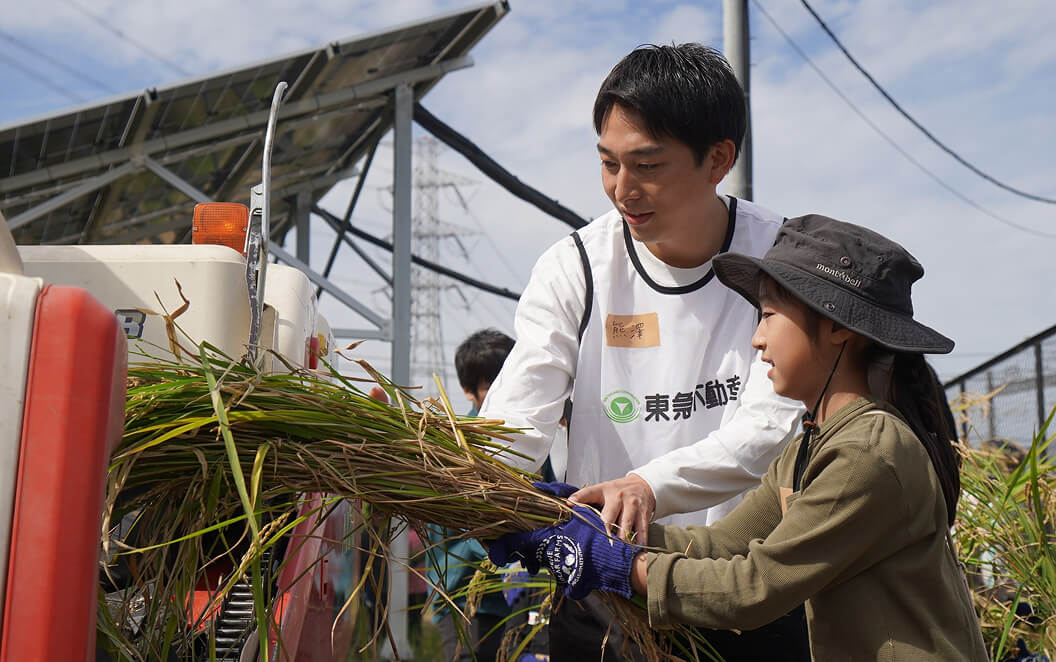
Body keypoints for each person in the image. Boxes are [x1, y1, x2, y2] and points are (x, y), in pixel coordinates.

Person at [489, 215, 990, 661]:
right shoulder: (811, 445)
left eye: (769, 315)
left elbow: (752, 589)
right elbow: (724, 543)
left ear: (838, 328)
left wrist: (619, 564)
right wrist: (584, 522)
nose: (757, 338)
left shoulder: (868, 452)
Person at [479, 43, 805, 659]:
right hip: (606, 591)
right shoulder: (576, 265)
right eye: (608, 164)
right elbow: (519, 419)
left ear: (718, 160)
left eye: (647, 165)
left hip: (747, 592)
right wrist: (467, 478)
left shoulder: (782, 259)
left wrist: (647, 484)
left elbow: (770, 424)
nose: (623, 190)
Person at [426, 329, 519, 662]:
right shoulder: (450, 445)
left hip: (519, 595)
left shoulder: (528, 441)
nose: (504, 391)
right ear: (468, 390)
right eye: (491, 383)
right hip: (463, 596)